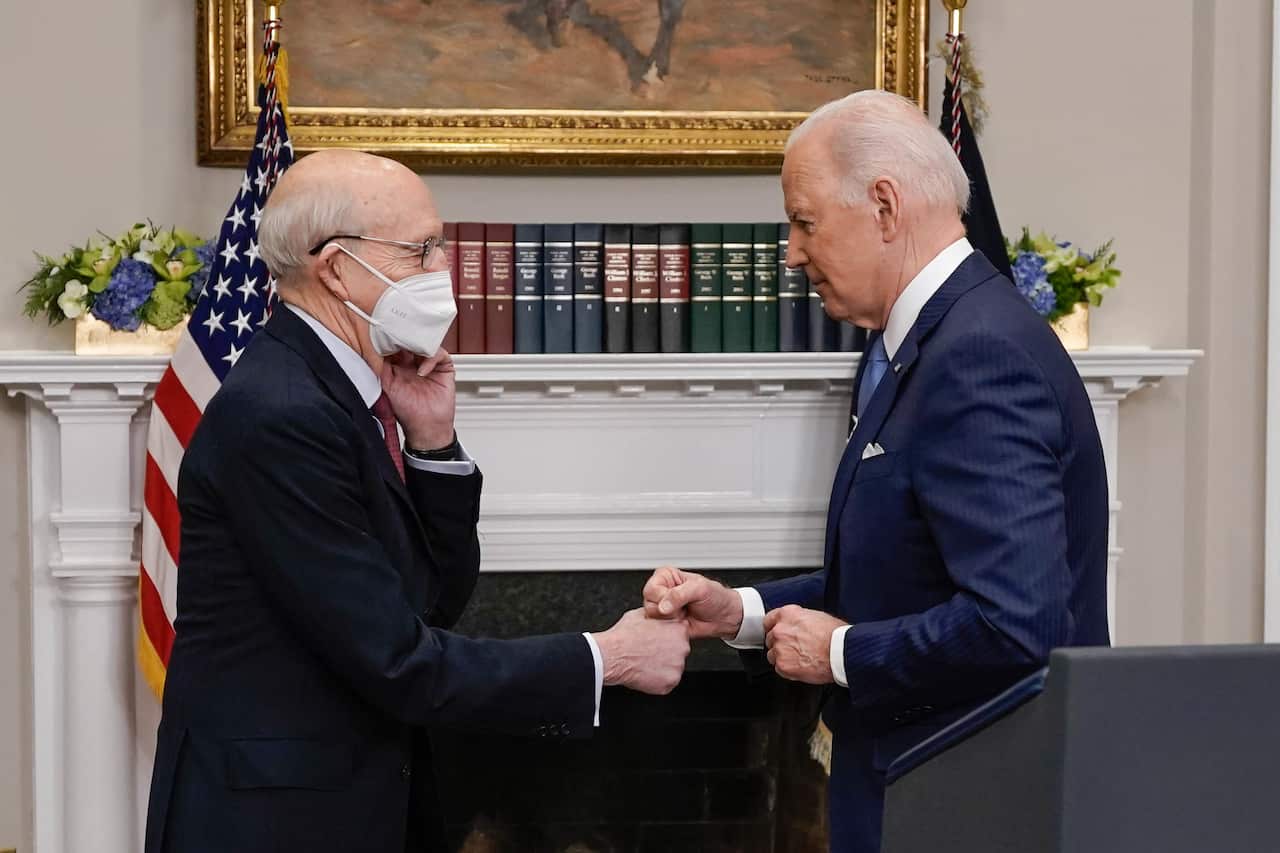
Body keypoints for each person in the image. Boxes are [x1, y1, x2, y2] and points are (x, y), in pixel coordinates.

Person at [144, 150, 690, 853]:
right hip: (276, 823)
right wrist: (606, 657)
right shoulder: (282, 412)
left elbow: (428, 602)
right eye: (422, 249)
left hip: (345, 801)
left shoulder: (339, 389)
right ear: (337, 268)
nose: (443, 271)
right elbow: (400, 661)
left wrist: (431, 445)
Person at [644, 90, 1109, 853]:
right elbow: (903, 573)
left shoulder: (976, 355)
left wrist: (837, 652)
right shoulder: (924, 339)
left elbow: (1018, 622)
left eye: (804, 221)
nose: (791, 251)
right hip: (924, 785)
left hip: (965, 800)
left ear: (886, 206)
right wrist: (741, 611)